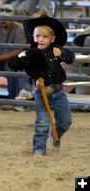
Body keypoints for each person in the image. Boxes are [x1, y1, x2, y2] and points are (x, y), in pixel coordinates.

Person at [10, 16, 75, 156]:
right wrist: (21, 59)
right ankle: (39, 150)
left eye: (45, 36)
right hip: (41, 93)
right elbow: (17, 65)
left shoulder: (56, 50)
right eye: (37, 36)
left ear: (52, 39)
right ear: (33, 37)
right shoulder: (31, 53)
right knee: (42, 123)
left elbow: (70, 58)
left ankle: (56, 135)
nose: (41, 39)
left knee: (66, 121)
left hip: (58, 92)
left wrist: (62, 52)